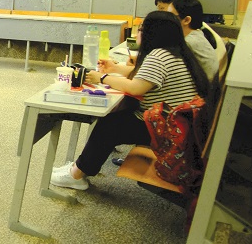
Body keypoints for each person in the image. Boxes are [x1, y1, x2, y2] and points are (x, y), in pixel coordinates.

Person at [51, 11, 210, 190]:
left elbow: (136, 87)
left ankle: (76, 174)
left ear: (153, 33)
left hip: (167, 130)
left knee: (110, 125)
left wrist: (102, 78)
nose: (137, 34)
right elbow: (144, 78)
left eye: (141, 29)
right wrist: (115, 68)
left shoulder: (159, 57)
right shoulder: (175, 52)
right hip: (179, 126)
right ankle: (79, 166)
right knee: (116, 117)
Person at [167, 0, 220, 83]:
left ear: (186, 20)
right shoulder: (197, 34)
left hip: (200, 92)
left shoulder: (189, 42)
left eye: (170, 16)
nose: (166, 19)